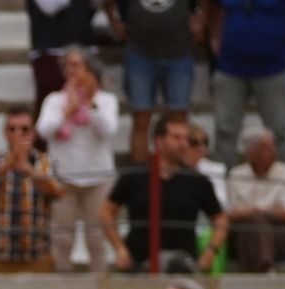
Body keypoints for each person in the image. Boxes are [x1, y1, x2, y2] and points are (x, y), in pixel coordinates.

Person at [101, 115, 228, 273]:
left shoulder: (197, 180)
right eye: (176, 137)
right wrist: (119, 248)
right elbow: (106, 211)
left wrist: (210, 252)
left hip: (183, 265)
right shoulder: (134, 175)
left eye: (185, 138)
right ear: (159, 141)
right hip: (138, 264)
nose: (183, 143)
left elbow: (220, 219)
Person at [37, 48, 118, 271]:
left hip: (98, 176)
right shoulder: (54, 100)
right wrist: (67, 111)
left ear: (90, 70)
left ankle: (100, 283)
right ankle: (61, 284)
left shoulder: (106, 100)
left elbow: (108, 130)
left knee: (96, 236)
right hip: (63, 177)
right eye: (68, 65)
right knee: (62, 238)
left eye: (77, 65)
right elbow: (43, 131)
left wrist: (90, 103)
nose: (72, 70)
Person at [102, 0, 198, 162]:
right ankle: (141, 179)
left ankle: (177, 177)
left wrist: (201, 19)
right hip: (139, 52)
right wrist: (114, 21)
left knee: (179, 120)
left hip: (179, 51)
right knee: (141, 118)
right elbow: (107, 2)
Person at [203, 0, 285, 166]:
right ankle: (221, 188)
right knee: (225, 131)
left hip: (274, 68)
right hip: (229, 67)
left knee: (279, 131)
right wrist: (214, 36)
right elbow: (213, 7)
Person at [0, 106, 61, 272]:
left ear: (33, 133)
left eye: (24, 129)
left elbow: (56, 192)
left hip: (37, 255)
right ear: (5, 132)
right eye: (12, 129)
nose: (18, 134)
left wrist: (28, 170)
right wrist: (10, 163)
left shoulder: (45, 161)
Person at [226, 128, 285, 272]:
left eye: (273, 147)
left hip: (280, 235)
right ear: (250, 152)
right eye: (265, 148)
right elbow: (230, 215)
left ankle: (262, 266)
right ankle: (265, 267)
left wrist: (253, 211)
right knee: (253, 224)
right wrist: (269, 210)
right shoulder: (236, 174)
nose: (272, 151)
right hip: (242, 235)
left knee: (255, 220)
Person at [27, 0, 99, 149]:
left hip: (84, 48)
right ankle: (42, 161)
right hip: (50, 53)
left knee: (91, 104)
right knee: (49, 110)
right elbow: (49, 6)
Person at [186, 123, 229, 211]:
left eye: (205, 142)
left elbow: (222, 202)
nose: (201, 147)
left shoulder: (216, 169)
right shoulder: (173, 169)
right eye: (194, 142)